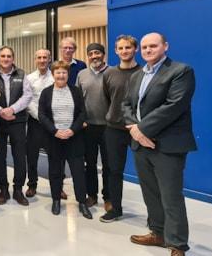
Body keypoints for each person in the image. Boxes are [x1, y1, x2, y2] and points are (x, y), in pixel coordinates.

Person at [123, 32, 196, 256]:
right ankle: (158, 233)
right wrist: (136, 131)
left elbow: (174, 106)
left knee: (170, 195)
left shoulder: (180, 71)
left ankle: (177, 244)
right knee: (150, 192)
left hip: (167, 145)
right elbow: (126, 105)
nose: (147, 50)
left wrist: (141, 129)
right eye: (144, 47)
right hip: (141, 145)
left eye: (153, 46)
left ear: (165, 46)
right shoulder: (137, 75)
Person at [38, 61, 92, 219]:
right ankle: (56, 200)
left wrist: (71, 130)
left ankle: (82, 202)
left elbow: (82, 113)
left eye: (64, 73)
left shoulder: (75, 91)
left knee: (78, 173)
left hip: (73, 138)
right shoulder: (46, 93)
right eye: (58, 72)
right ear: (53, 74)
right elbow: (42, 115)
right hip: (54, 138)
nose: (61, 75)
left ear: (68, 75)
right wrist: (55, 131)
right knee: (55, 171)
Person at [99, 35, 141, 223]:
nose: (124, 51)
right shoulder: (109, 74)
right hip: (114, 129)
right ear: (116, 51)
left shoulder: (144, 72)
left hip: (140, 130)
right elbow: (109, 99)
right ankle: (115, 208)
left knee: (147, 173)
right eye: (121, 48)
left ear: (135, 49)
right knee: (114, 170)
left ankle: (156, 217)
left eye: (128, 48)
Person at [0, 46, 32, 206]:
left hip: (18, 120)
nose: (6, 59)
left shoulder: (21, 74)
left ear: (13, 58)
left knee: (20, 156)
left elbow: (27, 95)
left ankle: (18, 190)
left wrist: (12, 109)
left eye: (9, 56)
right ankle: (3, 189)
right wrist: (1, 111)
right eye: (3, 56)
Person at [76, 43, 110, 209]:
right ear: (87, 56)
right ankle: (92, 195)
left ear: (103, 54)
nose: (94, 56)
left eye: (97, 53)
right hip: (88, 126)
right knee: (89, 163)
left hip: (109, 128)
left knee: (108, 165)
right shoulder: (82, 74)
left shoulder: (113, 72)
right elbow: (77, 99)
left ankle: (109, 198)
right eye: (91, 54)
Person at [58, 36, 86, 199]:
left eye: (71, 48)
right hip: (59, 114)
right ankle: (59, 188)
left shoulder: (81, 65)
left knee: (76, 160)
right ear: (61, 49)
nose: (68, 50)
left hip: (75, 115)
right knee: (58, 159)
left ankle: (81, 196)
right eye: (65, 48)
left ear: (74, 49)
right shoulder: (54, 65)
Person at [25, 49, 54, 198]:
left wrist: (48, 119)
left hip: (52, 124)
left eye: (45, 57)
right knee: (32, 156)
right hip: (35, 122)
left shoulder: (56, 77)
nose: (42, 60)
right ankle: (32, 185)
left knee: (55, 157)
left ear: (49, 59)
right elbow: (27, 100)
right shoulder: (29, 78)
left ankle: (57, 186)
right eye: (39, 57)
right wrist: (40, 117)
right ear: (35, 59)